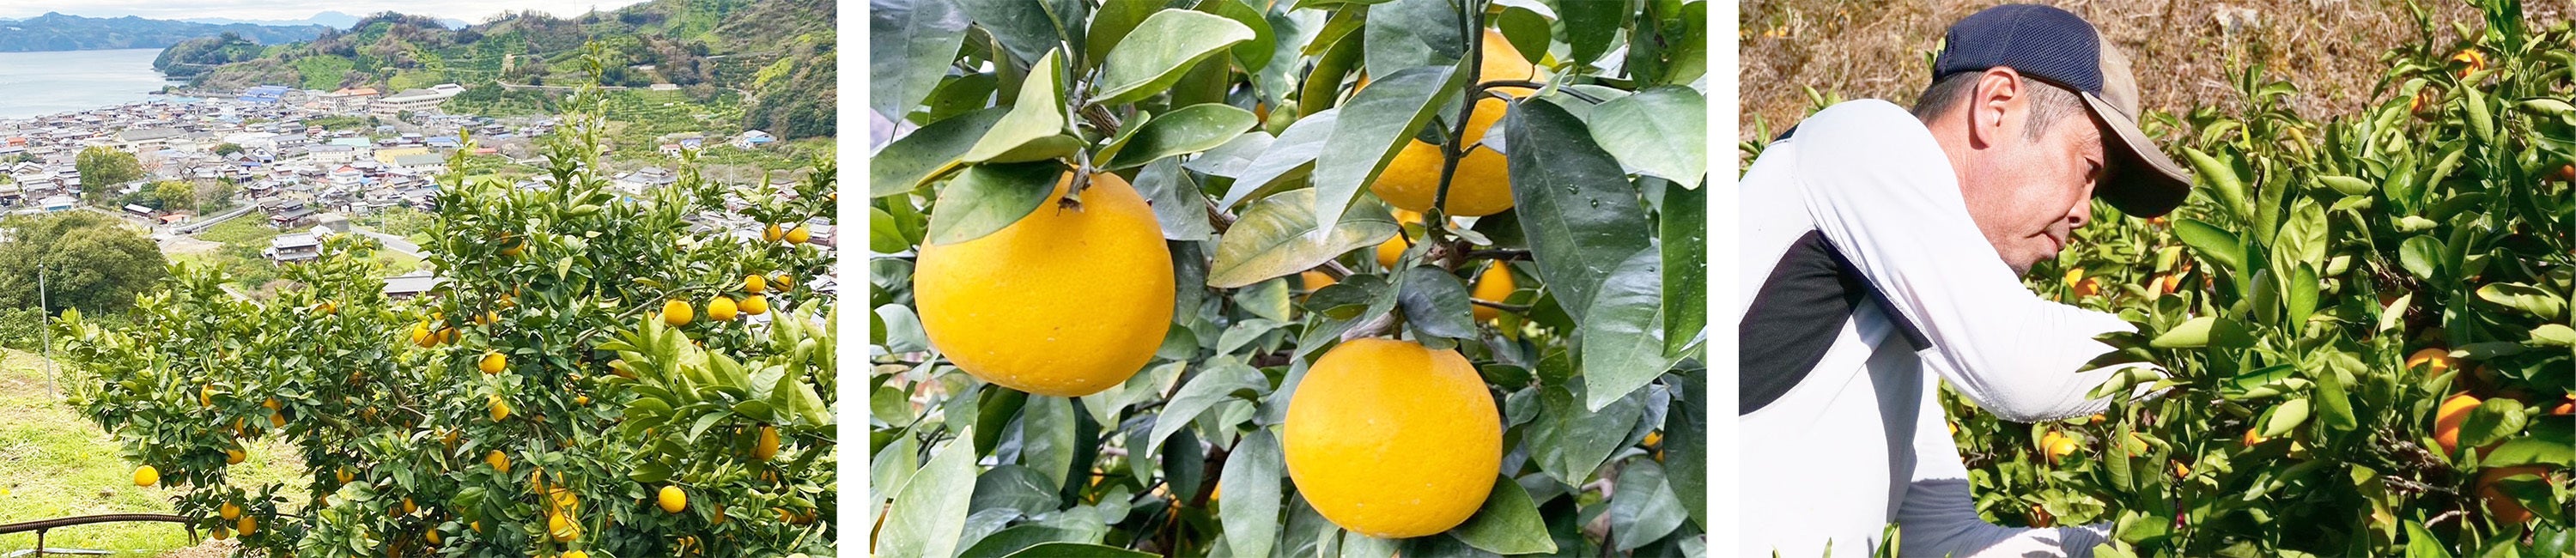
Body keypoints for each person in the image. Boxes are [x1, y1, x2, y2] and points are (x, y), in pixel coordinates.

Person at [1733, 4, 2192, 557]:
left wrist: (2152, 543)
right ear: (1996, 106)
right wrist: (2207, 360)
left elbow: (1943, 543)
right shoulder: (1860, 139)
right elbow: (2021, 363)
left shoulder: (1902, 311)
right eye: (2087, 170)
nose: (2084, 213)